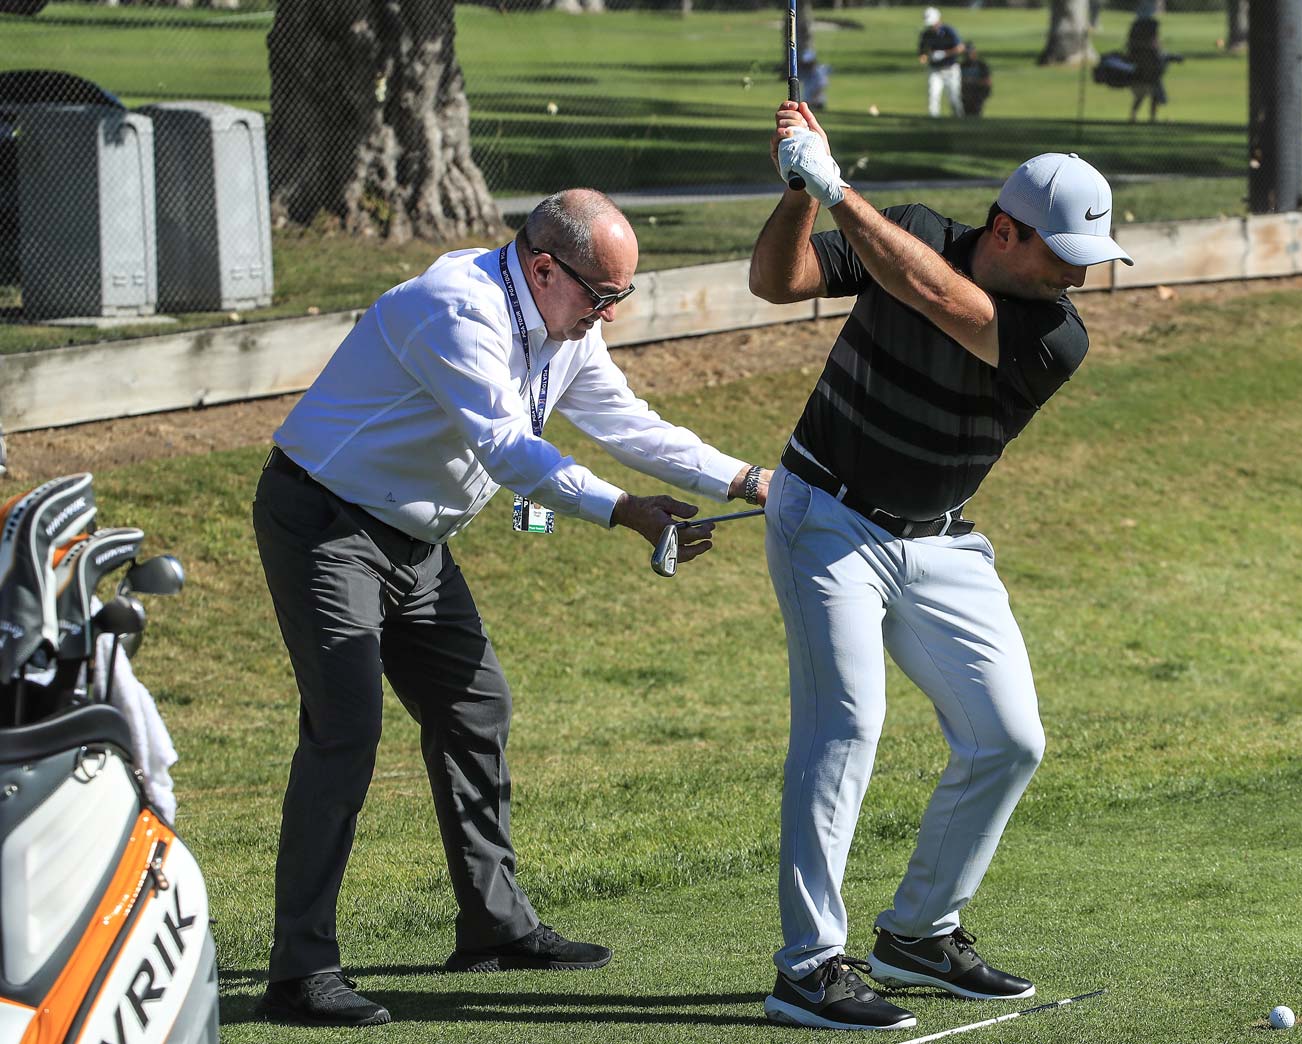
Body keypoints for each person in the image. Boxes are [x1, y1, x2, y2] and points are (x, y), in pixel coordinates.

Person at [251, 189, 771, 1028]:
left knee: (476, 705)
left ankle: (494, 926)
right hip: (325, 522)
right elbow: (508, 451)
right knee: (345, 730)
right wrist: (624, 512)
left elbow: (628, 424)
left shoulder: (568, 327)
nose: (609, 315)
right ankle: (299, 971)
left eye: (621, 297)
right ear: (544, 269)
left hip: (415, 541)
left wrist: (748, 480)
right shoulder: (456, 308)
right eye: (603, 295)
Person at [748, 101, 1133, 1031]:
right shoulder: (912, 230)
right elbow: (778, 280)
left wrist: (839, 187)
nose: (1080, 275)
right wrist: (801, 189)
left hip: (941, 542)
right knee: (846, 726)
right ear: (1004, 230)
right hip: (826, 517)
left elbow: (943, 301)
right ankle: (809, 966)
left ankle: (919, 933)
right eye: (1065, 253)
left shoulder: (1057, 335)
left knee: (1009, 738)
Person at [1126, 1, 1176, 123]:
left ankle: (1134, 115)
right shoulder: (1151, 27)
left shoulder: (1135, 28)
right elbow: (1156, 48)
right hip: (1150, 67)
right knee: (1154, 89)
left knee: (1143, 92)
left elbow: (1129, 46)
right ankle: (1152, 117)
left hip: (1138, 66)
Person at [918, 6, 965, 117]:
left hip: (951, 70)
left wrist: (944, 54)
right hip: (935, 70)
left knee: (954, 98)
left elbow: (960, 48)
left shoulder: (948, 31)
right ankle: (934, 120)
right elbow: (922, 53)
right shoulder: (926, 34)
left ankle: (958, 119)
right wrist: (927, 57)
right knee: (933, 97)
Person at [959, 41, 993, 117]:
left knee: (976, 111)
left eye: (969, 53)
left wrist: (971, 81)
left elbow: (987, 81)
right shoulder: (961, 66)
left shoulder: (982, 65)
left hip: (978, 92)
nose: (968, 55)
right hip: (966, 93)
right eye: (966, 53)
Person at [798, 47, 831, 112]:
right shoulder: (806, 72)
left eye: (808, 63)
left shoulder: (818, 72)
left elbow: (820, 87)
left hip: (816, 103)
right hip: (807, 102)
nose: (806, 65)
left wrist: (812, 101)